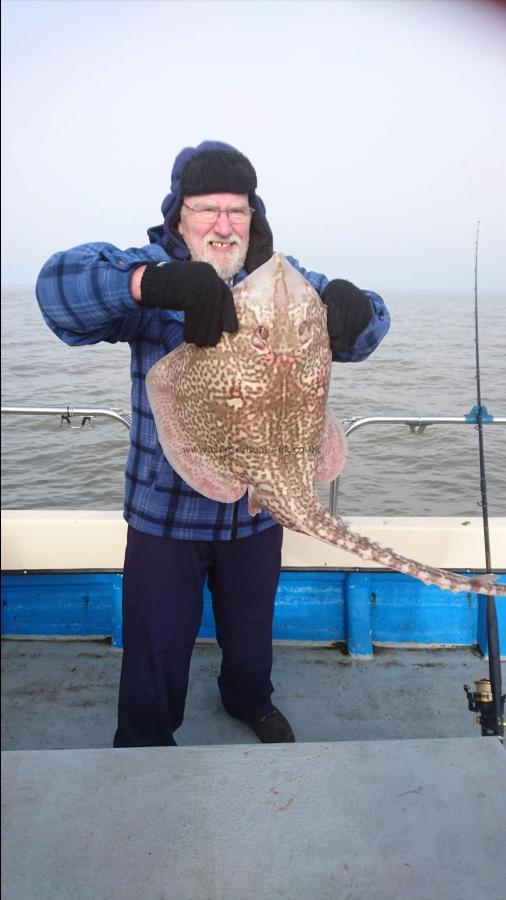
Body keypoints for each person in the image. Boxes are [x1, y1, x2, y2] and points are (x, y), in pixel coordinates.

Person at [36, 140, 390, 747]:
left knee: (251, 631)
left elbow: (367, 329)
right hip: (166, 509)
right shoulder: (146, 267)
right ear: (180, 216)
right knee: (159, 638)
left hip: (261, 506)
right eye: (206, 209)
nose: (223, 225)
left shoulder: (283, 279)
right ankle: (147, 739)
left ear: (254, 217)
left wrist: (358, 310)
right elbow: (57, 291)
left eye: (238, 210)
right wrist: (152, 284)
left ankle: (248, 701)